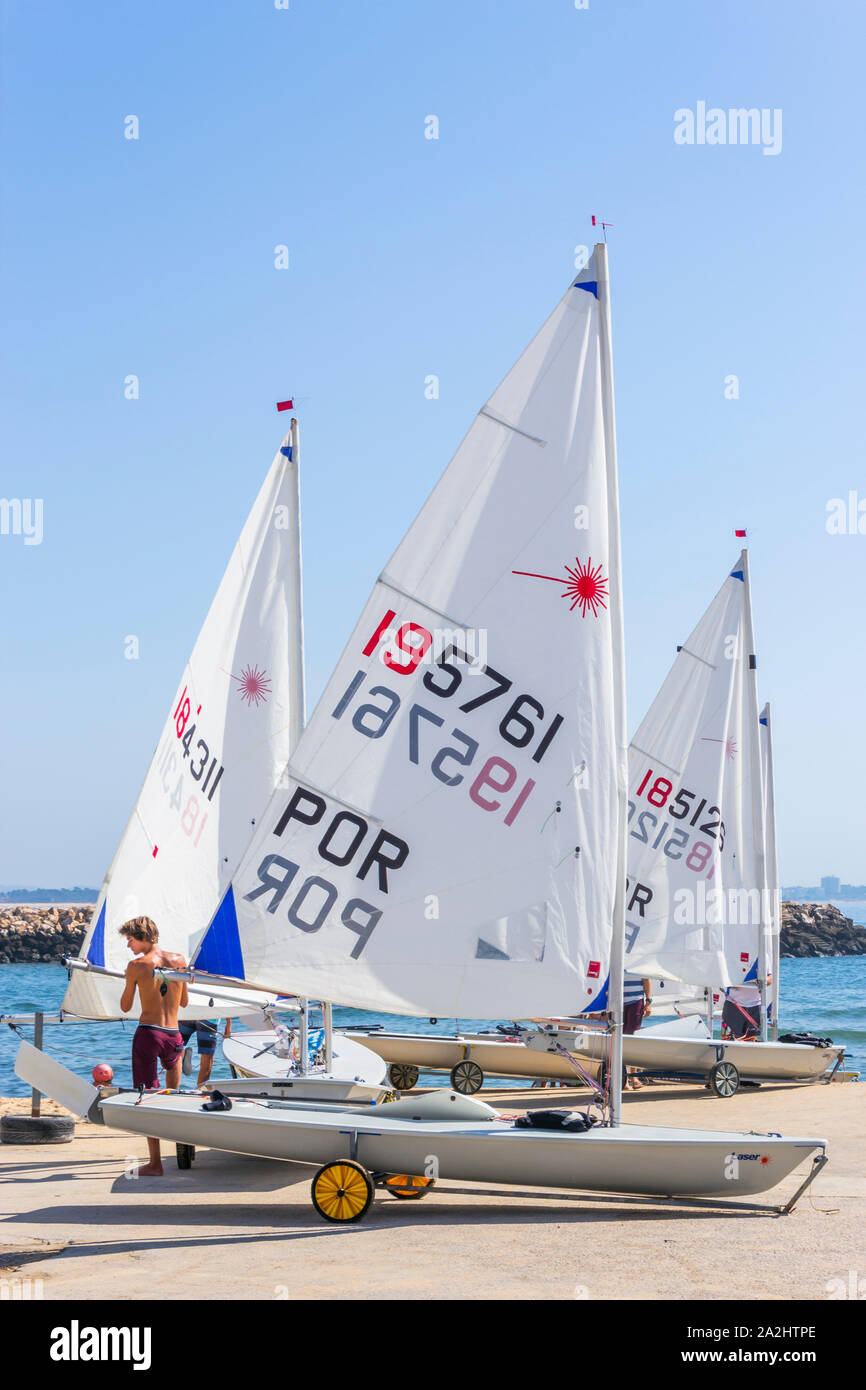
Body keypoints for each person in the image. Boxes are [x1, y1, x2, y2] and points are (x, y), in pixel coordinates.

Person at [118, 916, 188, 1176]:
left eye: (131, 940)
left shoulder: (136, 965)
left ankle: (155, 1164)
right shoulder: (179, 960)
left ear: (143, 937)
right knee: (175, 1098)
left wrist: (131, 980)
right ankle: (183, 1150)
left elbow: (125, 1006)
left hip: (149, 1035)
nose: (129, 945)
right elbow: (183, 1003)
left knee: (147, 1099)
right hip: (174, 1036)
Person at [179, 1016, 232, 1086]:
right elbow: (226, 1004)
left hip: (188, 1015)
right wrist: (228, 1023)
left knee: (176, 1049)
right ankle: (200, 1091)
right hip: (209, 1018)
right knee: (207, 1061)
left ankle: (182, 1055)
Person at [622, 972, 652, 1090]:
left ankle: (633, 1077)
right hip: (617, 1002)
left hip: (636, 1001)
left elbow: (646, 978)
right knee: (620, 1040)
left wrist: (648, 1002)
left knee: (632, 1039)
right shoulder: (613, 957)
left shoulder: (637, 958)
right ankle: (624, 1079)